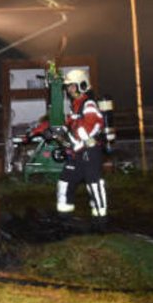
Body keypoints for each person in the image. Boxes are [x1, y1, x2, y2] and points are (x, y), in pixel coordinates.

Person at [57, 68, 108, 219]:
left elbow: (89, 127)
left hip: (90, 152)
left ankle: (101, 219)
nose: (69, 90)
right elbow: (71, 123)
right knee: (65, 181)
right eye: (68, 87)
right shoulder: (76, 105)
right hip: (78, 153)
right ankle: (64, 217)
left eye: (72, 86)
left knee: (94, 185)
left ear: (82, 85)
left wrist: (72, 140)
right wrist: (60, 131)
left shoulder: (89, 104)